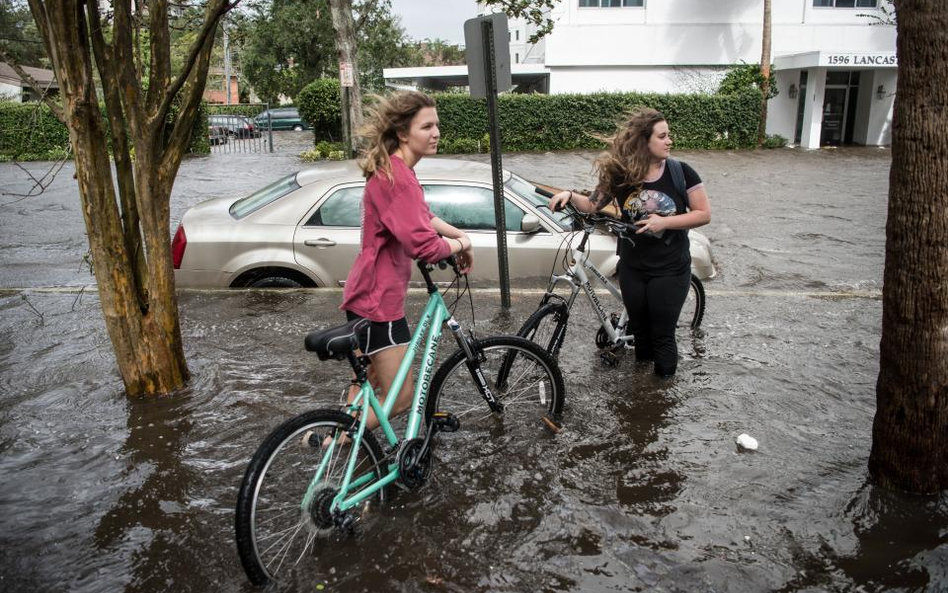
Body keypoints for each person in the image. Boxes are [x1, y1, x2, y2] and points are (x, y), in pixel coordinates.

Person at [338, 90, 474, 431]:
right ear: (403, 133)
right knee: (400, 398)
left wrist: (457, 234)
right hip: (378, 304)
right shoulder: (399, 178)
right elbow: (426, 248)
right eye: (426, 126)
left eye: (437, 125)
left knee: (368, 385)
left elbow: (421, 217)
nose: (436, 133)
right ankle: (334, 443)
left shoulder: (394, 169)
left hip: (367, 295)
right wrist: (462, 245)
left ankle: (340, 446)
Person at [548, 107, 710, 377]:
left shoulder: (681, 173)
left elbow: (703, 214)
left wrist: (664, 222)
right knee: (642, 334)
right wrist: (568, 194)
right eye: (663, 136)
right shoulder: (622, 175)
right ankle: (642, 396)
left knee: (662, 336)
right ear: (644, 142)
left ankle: (661, 399)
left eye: (668, 135)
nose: (669, 141)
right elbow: (591, 205)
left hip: (669, 268)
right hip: (633, 267)